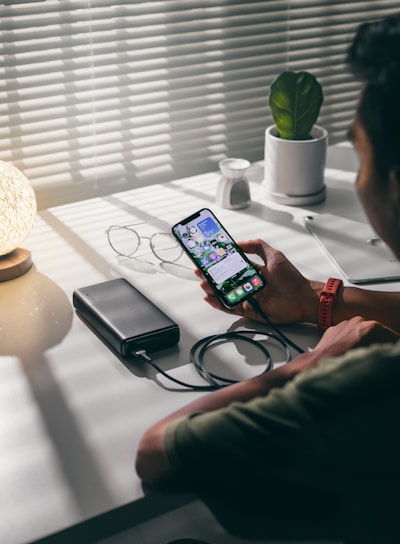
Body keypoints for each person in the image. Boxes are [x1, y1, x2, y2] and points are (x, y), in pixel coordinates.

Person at [136, 14, 400, 543]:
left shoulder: (373, 380)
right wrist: (311, 301)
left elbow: (159, 452)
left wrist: (311, 362)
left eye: (360, 153)